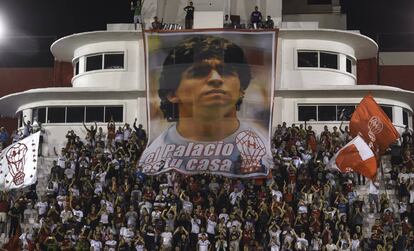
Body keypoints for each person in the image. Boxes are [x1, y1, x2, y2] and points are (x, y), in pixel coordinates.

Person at [139, 35, 273, 177]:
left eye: (226, 72)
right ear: (172, 93)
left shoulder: (262, 145)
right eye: (199, 72)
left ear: (241, 89)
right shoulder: (154, 152)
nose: (216, 79)